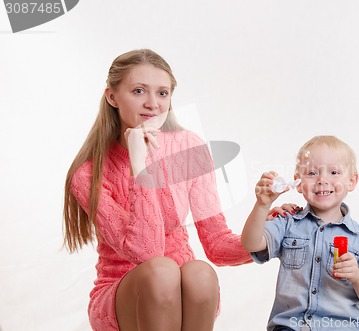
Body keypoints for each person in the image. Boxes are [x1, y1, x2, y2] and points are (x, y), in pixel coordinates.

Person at [63, 49, 293, 331]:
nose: (153, 104)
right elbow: (146, 252)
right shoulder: (88, 173)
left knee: (200, 272)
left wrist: (269, 230)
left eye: (162, 93)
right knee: (161, 270)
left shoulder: (188, 148)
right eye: (138, 91)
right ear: (112, 96)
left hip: (187, 291)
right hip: (124, 293)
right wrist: (140, 165)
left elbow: (217, 244)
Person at [241, 135, 359, 331]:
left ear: (351, 181)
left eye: (334, 172)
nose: (322, 180)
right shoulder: (287, 222)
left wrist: (357, 276)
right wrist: (262, 205)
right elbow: (251, 243)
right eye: (311, 173)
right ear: (298, 182)